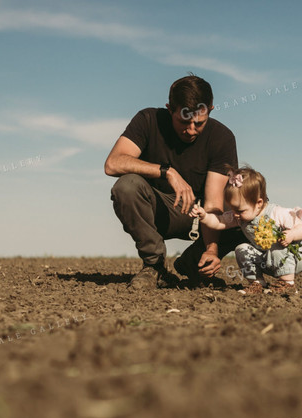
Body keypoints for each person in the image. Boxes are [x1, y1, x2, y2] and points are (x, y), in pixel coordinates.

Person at [105, 74, 246, 289]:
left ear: (210, 110)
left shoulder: (222, 137)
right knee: (126, 186)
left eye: (199, 123)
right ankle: (155, 267)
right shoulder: (148, 120)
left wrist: (211, 250)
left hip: (202, 217)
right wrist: (166, 172)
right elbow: (113, 164)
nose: (191, 130)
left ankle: (193, 264)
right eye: (183, 121)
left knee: (248, 209)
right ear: (169, 109)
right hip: (159, 211)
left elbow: (213, 204)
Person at [190, 165, 302, 294]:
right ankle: (257, 283)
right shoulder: (239, 216)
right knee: (241, 248)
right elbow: (219, 222)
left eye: (240, 210)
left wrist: (291, 235)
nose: (235, 214)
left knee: (276, 245)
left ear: (259, 203)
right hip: (267, 259)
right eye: (232, 209)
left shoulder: (276, 213)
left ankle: (287, 284)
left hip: (294, 258)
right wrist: (204, 216)